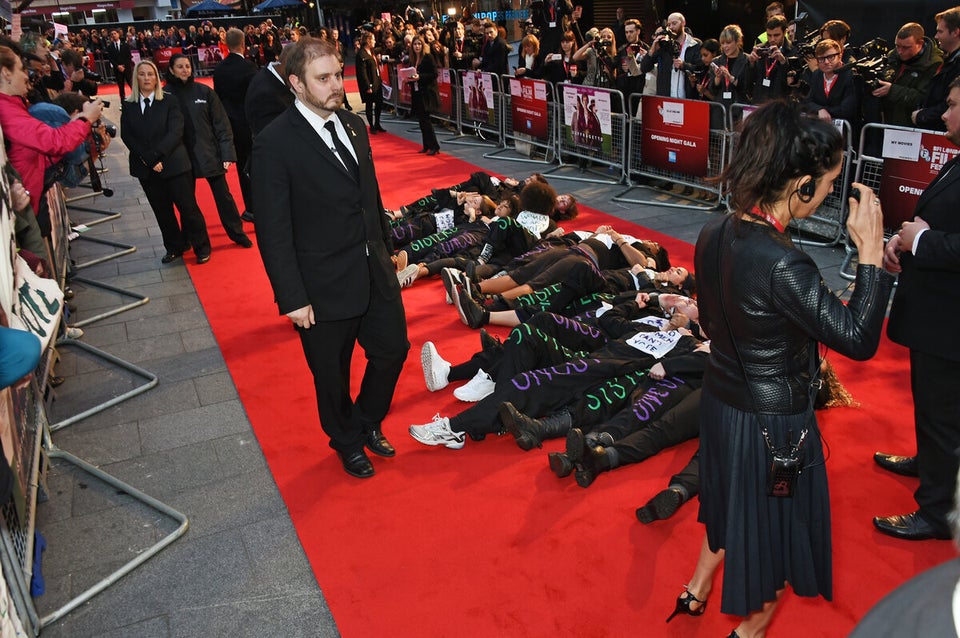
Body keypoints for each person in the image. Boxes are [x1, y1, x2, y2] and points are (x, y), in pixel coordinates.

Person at [678, 101, 894, 637]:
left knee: (729, 499)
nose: (829, 195)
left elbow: (710, 318)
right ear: (799, 184)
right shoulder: (783, 263)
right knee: (779, 524)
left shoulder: (715, 231)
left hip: (722, 410)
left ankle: (696, 590)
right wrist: (869, 254)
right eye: (827, 184)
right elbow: (859, 340)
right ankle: (747, 632)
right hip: (776, 433)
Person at [252, 38, 409, 480]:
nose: (337, 85)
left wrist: (387, 244)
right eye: (324, 78)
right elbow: (273, 230)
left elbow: (369, 196)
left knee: (393, 350)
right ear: (296, 83)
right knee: (331, 374)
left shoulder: (354, 124)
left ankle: (365, 421)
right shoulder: (274, 143)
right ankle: (346, 440)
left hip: (373, 268)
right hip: (320, 284)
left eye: (338, 74)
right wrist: (292, 296)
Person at [873, 76, 960, 541]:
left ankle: (937, 512)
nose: (942, 114)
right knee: (933, 407)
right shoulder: (956, 158)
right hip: (935, 311)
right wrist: (904, 241)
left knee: (942, 413)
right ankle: (931, 466)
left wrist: (920, 240)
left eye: (951, 106)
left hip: (949, 322)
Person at [120, 60, 212, 265]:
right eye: (142, 74)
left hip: (174, 164)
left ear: (156, 78)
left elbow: (176, 131)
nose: (146, 78)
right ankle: (175, 247)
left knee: (188, 209)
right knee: (162, 212)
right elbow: (128, 136)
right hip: (146, 168)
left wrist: (158, 156)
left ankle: (201, 247)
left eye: (150, 74)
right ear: (136, 78)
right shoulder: (128, 105)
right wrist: (149, 159)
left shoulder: (170, 101)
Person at [0, 46, 101, 222]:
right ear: (6, 73)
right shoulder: (7, 111)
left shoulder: (15, 105)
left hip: (31, 198)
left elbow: (44, 150)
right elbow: (53, 142)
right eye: (21, 69)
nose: (27, 76)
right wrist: (85, 120)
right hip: (24, 208)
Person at [166, 54, 252, 249]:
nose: (185, 70)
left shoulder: (204, 92)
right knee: (187, 204)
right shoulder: (166, 95)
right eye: (180, 66)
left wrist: (227, 153)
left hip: (209, 154)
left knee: (225, 198)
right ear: (171, 70)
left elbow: (222, 124)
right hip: (181, 158)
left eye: (187, 66)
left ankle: (237, 233)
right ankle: (193, 240)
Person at [213, 28, 258, 224]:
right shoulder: (249, 67)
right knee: (256, 166)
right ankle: (259, 206)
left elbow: (218, 99)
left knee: (242, 168)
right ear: (243, 44)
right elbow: (256, 98)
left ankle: (249, 208)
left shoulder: (220, 69)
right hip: (249, 125)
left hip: (231, 125)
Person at [913, 7, 960, 130]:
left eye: (940, 31)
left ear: (955, 32)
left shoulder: (956, 64)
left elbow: (951, 103)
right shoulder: (949, 60)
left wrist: (923, 116)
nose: (936, 36)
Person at [641, 12, 701, 98]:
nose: (671, 27)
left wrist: (684, 65)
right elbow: (644, 68)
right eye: (669, 25)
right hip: (666, 98)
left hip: (687, 99)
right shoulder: (664, 45)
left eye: (674, 23)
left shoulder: (695, 44)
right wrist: (652, 49)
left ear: (683, 23)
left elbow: (700, 68)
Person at [407, 35, 440, 156]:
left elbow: (434, 74)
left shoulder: (428, 57)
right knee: (421, 120)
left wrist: (420, 77)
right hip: (417, 93)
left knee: (426, 121)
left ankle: (434, 146)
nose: (417, 46)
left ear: (423, 45)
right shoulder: (413, 59)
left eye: (419, 44)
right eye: (415, 44)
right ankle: (426, 145)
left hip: (427, 93)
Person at [356, 31, 386, 134]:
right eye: (373, 39)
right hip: (369, 83)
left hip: (377, 81)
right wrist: (367, 86)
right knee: (369, 104)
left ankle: (377, 123)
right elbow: (362, 72)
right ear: (368, 41)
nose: (374, 41)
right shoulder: (361, 54)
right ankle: (371, 125)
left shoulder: (372, 52)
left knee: (379, 103)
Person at [105, 29, 133, 102]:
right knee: (121, 86)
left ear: (118, 34)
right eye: (112, 34)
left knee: (131, 83)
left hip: (126, 68)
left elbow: (129, 57)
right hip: (117, 69)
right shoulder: (110, 47)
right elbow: (110, 58)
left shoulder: (125, 45)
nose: (114, 35)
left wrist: (124, 66)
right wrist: (118, 66)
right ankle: (122, 101)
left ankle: (137, 97)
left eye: (115, 33)